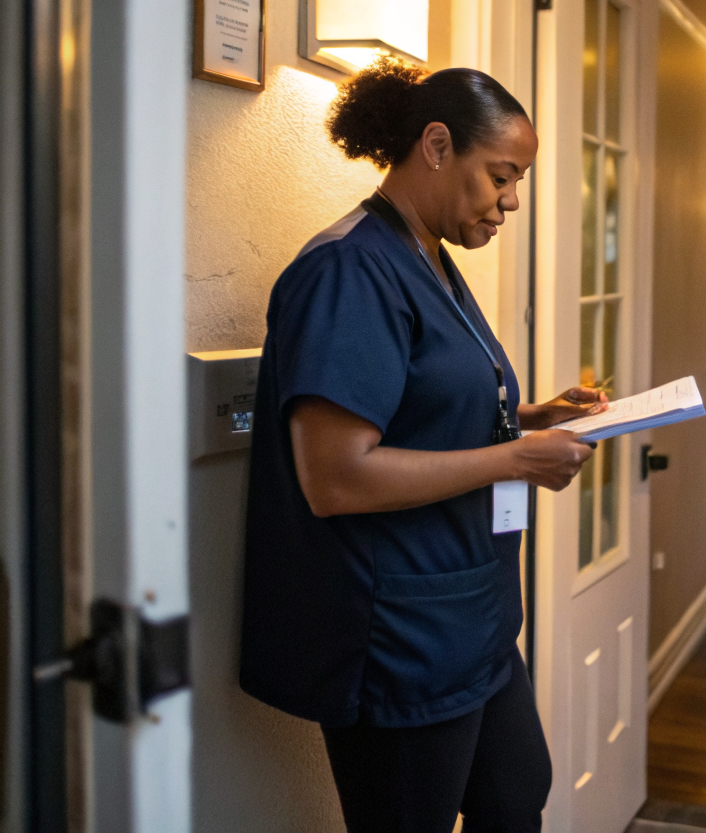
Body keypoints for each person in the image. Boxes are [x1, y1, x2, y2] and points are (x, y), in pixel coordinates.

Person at [240, 58, 605, 833]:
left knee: (515, 796)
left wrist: (532, 418)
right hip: (397, 631)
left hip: (470, 612)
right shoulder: (348, 269)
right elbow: (335, 477)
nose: (510, 203)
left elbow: (424, 409)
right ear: (436, 145)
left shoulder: (427, 257)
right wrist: (514, 460)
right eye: (500, 177)